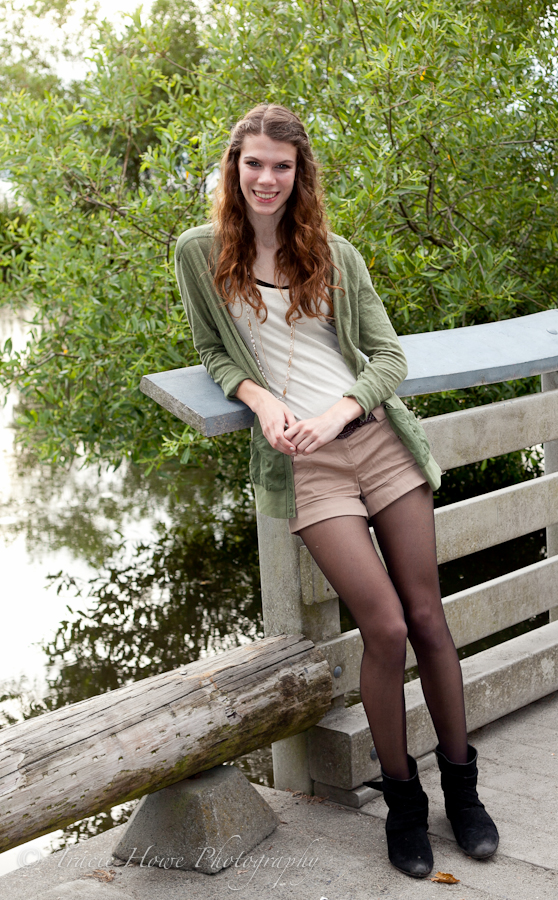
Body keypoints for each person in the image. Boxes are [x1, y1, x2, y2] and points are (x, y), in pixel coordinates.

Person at [174, 103, 499, 878]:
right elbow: (214, 354)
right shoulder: (197, 253)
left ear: (299, 174)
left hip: (378, 444)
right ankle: (404, 803)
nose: (266, 178)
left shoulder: (334, 253)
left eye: (281, 166)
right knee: (384, 630)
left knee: (427, 616)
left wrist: (339, 410)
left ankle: (465, 792)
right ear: (234, 166)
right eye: (253, 163)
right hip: (309, 470)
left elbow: (388, 358)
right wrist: (260, 401)